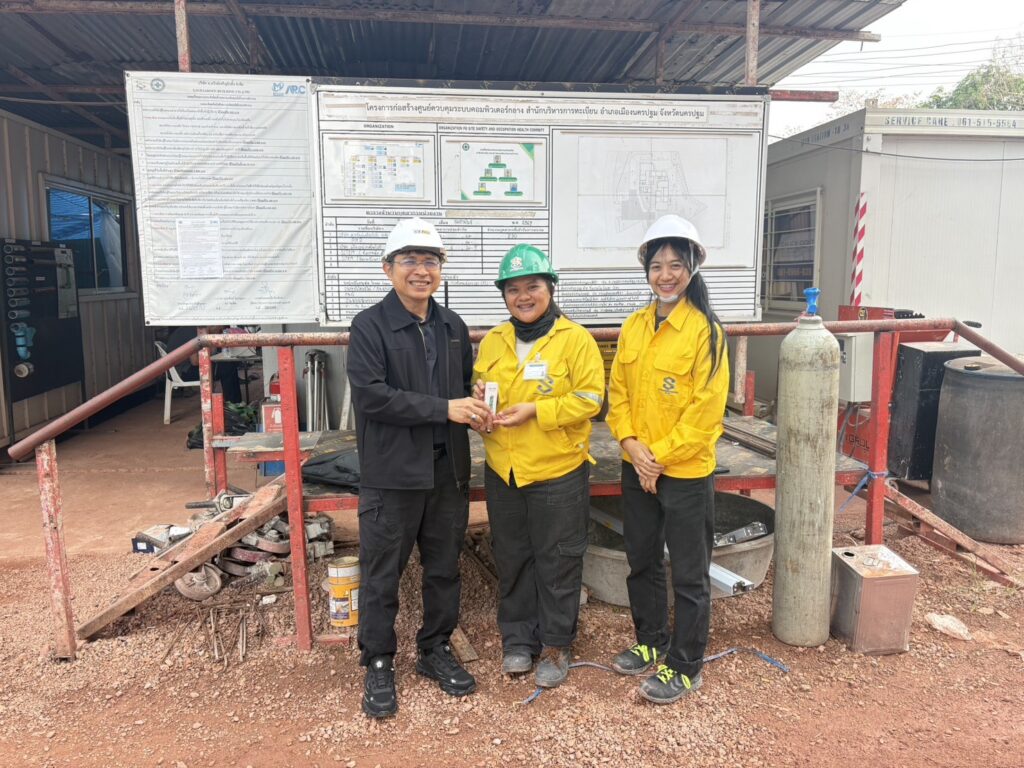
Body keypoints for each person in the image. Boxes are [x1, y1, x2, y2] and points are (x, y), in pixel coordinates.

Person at [346, 218, 492, 719]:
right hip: (393, 474)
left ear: (441, 269)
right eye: (409, 260)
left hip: (447, 471)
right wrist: (445, 408)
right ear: (388, 268)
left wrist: (475, 398)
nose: (421, 270)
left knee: (444, 568)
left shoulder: (452, 327)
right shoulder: (369, 326)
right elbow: (372, 397)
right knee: (382, 573)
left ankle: (435, 648)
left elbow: (463, 385)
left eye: (430, 260)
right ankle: (379, 660)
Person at [606, 214, 729, 704]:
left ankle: (685, 665)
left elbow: (705, 413)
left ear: (693, 267)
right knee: (641, 560)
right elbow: (618, 395)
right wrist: (632, 446)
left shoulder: (705, 332)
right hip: (638, 465)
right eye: (657, 266)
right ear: (647, 271)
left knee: (690, 573)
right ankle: (651, 641)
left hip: (685, 472)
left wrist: (655, 457)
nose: (666, 275)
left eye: (676, 265)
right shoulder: (634, 326)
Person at [471, 244, 604, 688]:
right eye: (513, 289)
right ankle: (518, 640)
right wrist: (478, 403)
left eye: (532, 286)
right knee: (512, 556)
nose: (523, 296)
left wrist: (536, 411)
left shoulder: (575, 340)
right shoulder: (494, 340)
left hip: (556, 469)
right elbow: (480, 387)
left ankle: (556, 645)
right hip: (504, 469)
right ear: (504, 295)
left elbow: (590, 399)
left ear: (550, 288)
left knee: (558, 559)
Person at [164, 325, 243, 403]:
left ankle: (235, 403)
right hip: (182, 372)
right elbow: (195, 361)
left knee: (228, 365)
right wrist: (213, 348)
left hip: (180, 368)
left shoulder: (192, 327)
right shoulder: (197, 332)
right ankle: (234, 404)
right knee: (227, 368)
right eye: (220, 330)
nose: (219, 333)